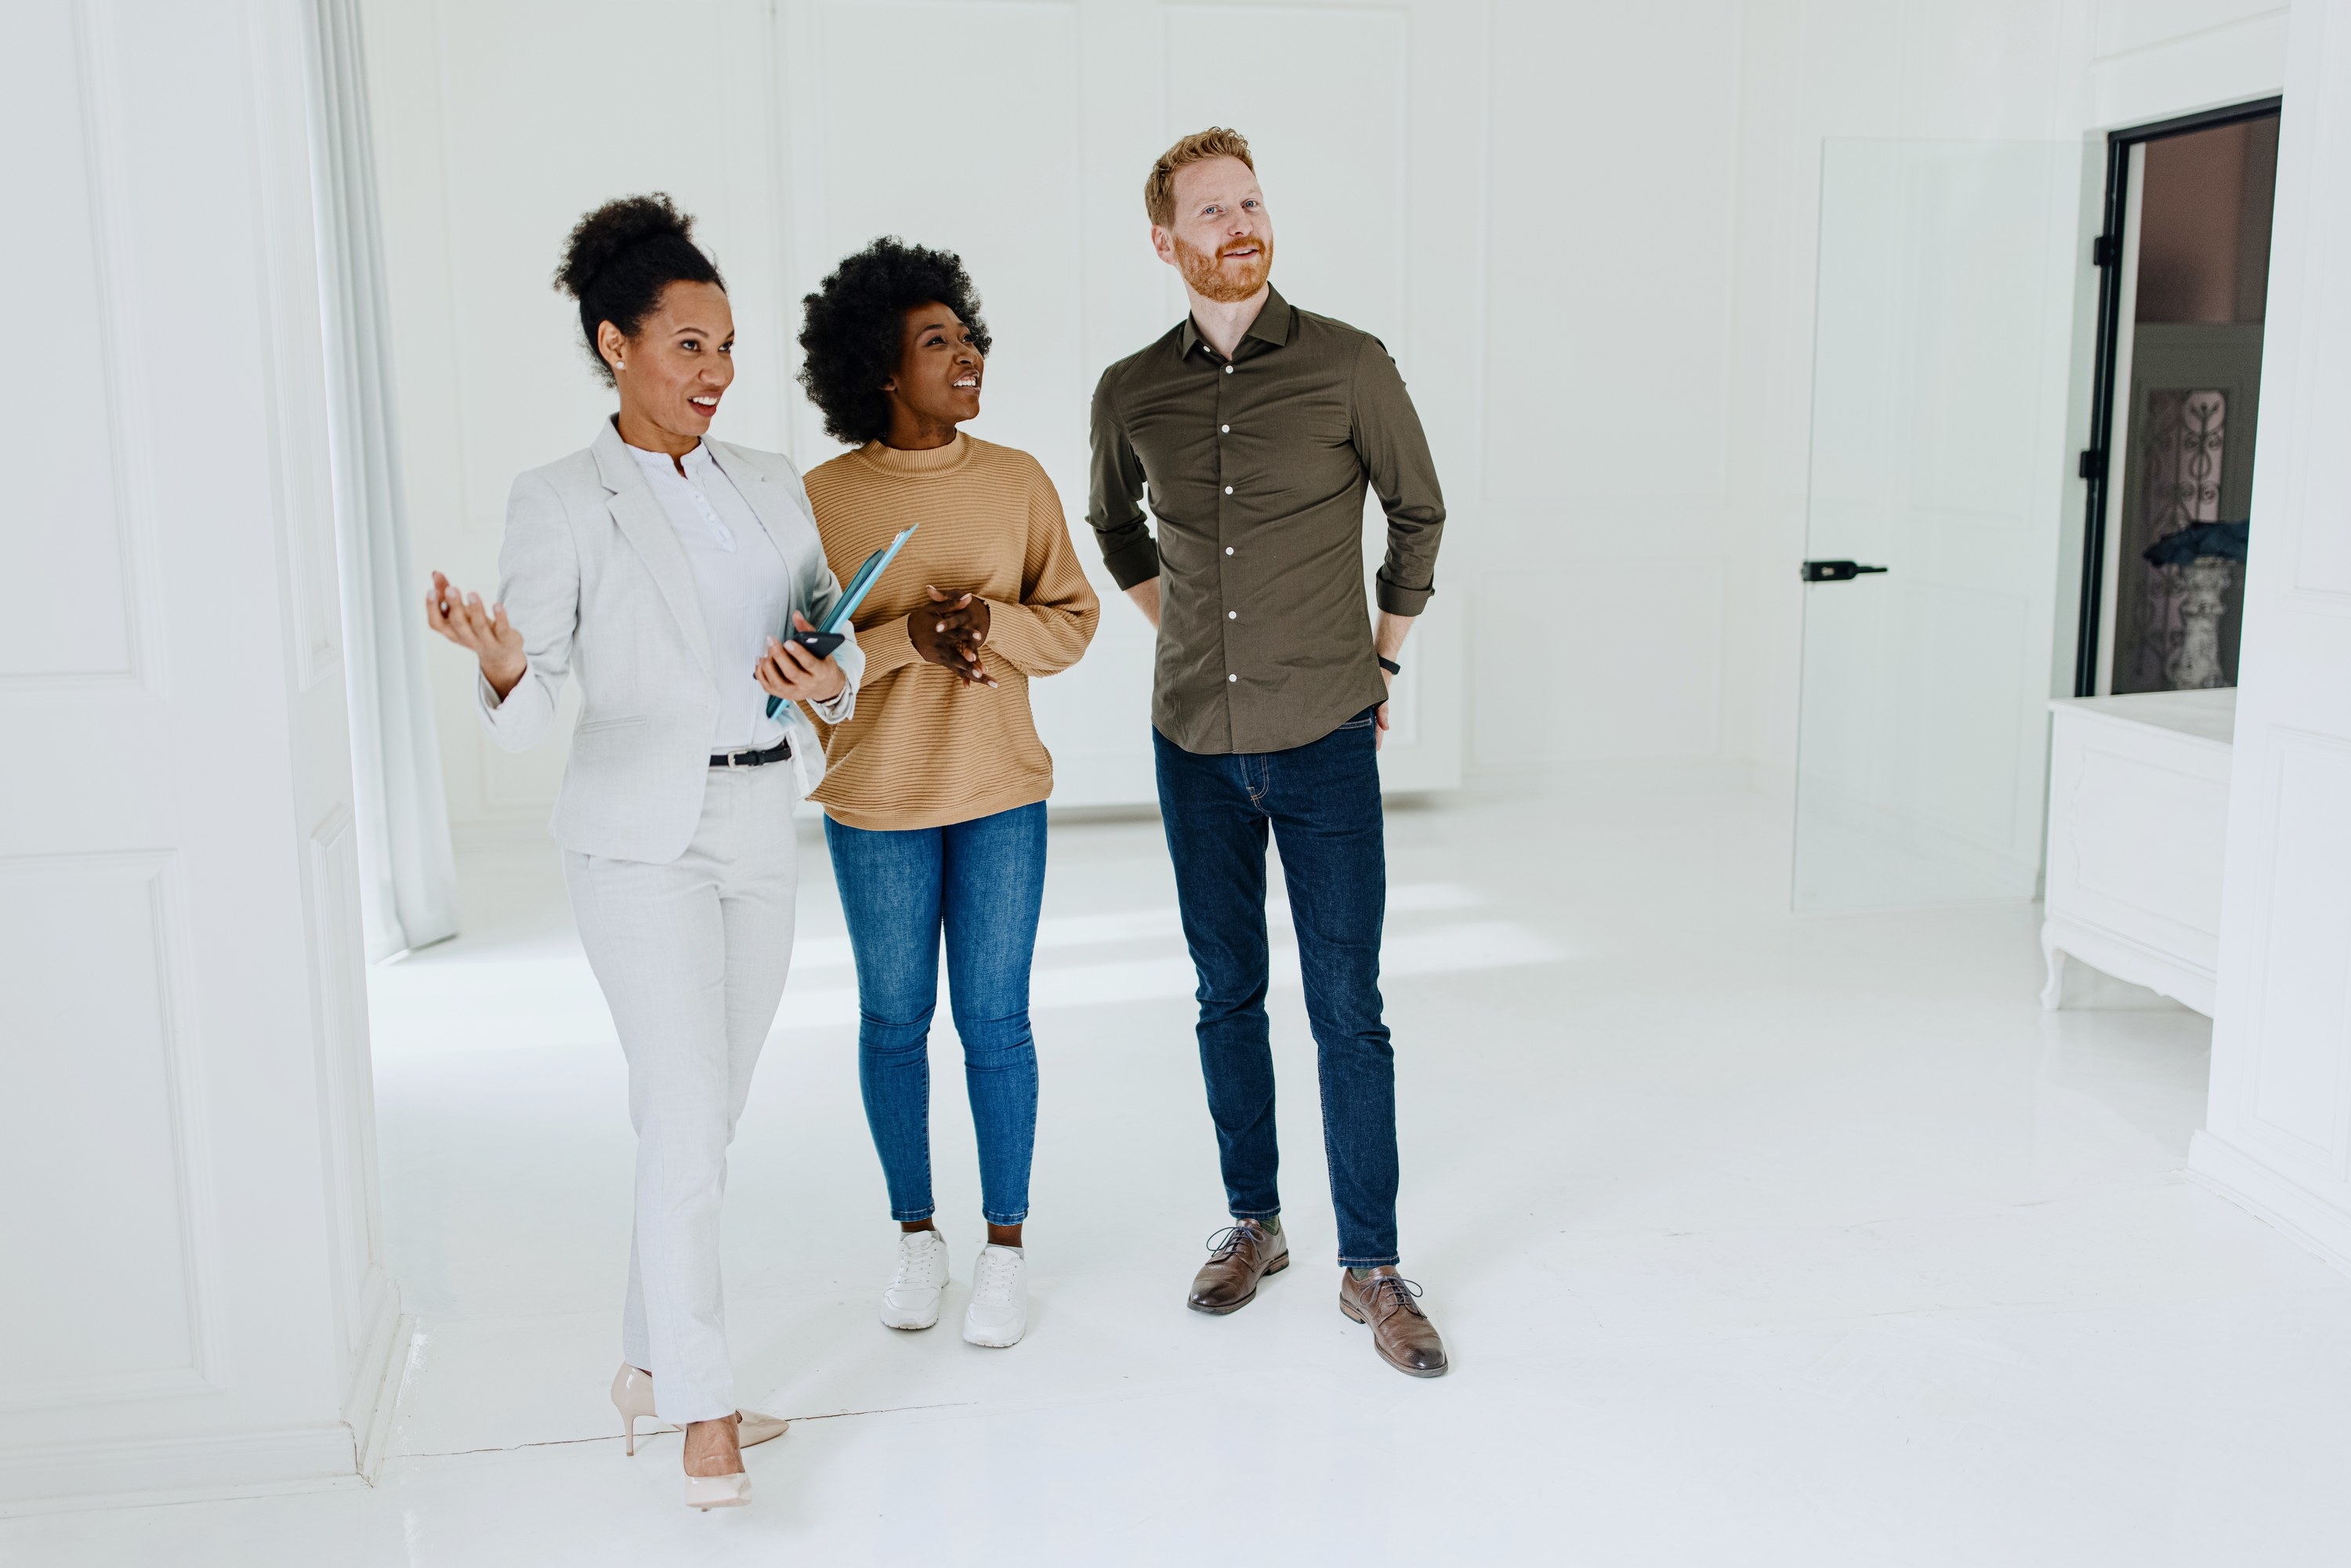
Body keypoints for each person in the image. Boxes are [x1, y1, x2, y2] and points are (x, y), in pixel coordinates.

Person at [424, 195, 860, 1508]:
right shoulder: (560, 499)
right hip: (638, 844)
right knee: (683, 1119)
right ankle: (704, 1408)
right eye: (687, 346)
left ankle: (645, 1362)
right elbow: (539, 703)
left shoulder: (772, 483)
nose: (716, 372)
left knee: (704, 1120)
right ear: (616, 345)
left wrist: (823, 677)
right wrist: (504, 662)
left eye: (726, 346)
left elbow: (828, 654)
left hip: (758, 817)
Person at [1086, 129, 1451, 1376]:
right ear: (1165, 240)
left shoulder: (1349, 365)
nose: (1239, 223)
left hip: (1327, 736)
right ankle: (1255, 1222)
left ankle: (1375, 1265)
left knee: (1349, 1005)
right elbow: (1110, 521)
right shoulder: (1132, 390)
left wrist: (1384, 656)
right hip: (1192, 740)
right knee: (1224, 990)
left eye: (1250, 201)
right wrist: (1177, 624)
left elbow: (1420, 509)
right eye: (1210, 209)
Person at [795, 238, 1099, 1349]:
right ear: (883, 367)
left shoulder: (1017, 482)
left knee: (996, 1022)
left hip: (1001, 792)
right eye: (939, 343)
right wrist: (909, 639)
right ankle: (917, 1237)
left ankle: (1004, 1248)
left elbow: (1072, 619)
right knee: (892, 1021)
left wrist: (993, 627)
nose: (967, 354)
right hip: (874, 799)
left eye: (967, 336)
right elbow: (799, 672)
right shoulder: (819, 502)